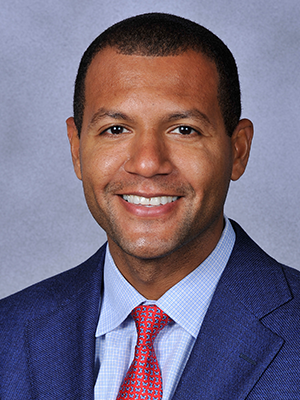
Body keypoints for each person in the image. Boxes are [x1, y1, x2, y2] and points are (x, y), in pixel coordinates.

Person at [0, 12, 299, 400]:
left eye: (184, 129)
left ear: (238, 150)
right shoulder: (9, 332)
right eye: (116, 129)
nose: (147, 162)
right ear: (77, 149)